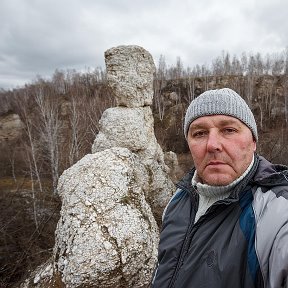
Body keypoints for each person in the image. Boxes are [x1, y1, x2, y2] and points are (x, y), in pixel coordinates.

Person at [151, 88, 288, 288]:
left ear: (253, 142)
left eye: (229, 130)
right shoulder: (178, 200)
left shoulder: (277, 212)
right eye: (199, 133)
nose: (212, 144)